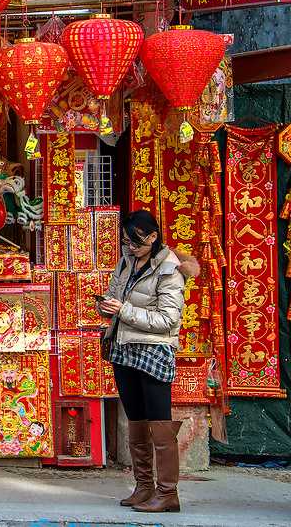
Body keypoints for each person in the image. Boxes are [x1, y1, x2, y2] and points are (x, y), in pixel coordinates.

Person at [98, 210, 198, 514]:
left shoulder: (170, 269)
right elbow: (115, 293)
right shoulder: (127, 261)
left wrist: (123, 310)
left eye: (137, 242)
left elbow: (168, 319)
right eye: (126, 242)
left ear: (153, 237)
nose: (130, 248)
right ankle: (144, 487)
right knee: (137, 418)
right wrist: (105, 304)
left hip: (154, 351)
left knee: (159, 421)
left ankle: (168, 492)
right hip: (124, 347)